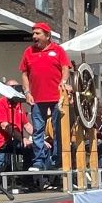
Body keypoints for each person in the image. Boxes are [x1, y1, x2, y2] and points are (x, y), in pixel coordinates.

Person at [17, 22, 71, 171]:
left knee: (58, 129)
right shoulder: (28, 52)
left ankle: (58, 159)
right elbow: (24, 74)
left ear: (47, 36)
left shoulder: (58, 50)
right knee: (38, 130)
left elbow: (65, 68)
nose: (34, 36)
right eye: (33, 33)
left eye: (38, 33)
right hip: (37, 98)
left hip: (57, 98)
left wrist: (63, 82)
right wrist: (27, 92)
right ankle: (39, 161)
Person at [0, 80, 31, 174]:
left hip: (15, 138)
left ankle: (28, 179)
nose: (16, 89)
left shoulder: (18, 104)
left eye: (17, 86)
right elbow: (5, 126)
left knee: (32, 148)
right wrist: (22, 139)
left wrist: (39, 137)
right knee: (2, 161)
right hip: (2, 141)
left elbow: (27, 125)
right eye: (12, 87)